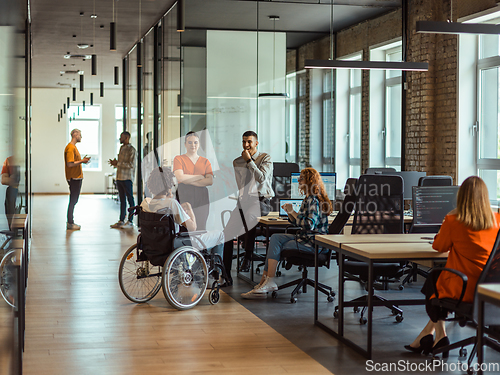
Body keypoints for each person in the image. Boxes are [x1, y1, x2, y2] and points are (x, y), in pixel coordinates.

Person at [404, 176, 500, 356]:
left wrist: (450, 217)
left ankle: (433, 335)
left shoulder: (455, 220)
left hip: (465, 287)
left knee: (434, 278)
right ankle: (434, 335)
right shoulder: (498, 220)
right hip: (492, 289)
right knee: (437, 278)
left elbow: (438, 246)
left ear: (461, 197)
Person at [241, 167, 332, 299]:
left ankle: (268, 281)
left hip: (313, 244)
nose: (298, 179)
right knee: (275, 238)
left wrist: (293, 212)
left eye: (301, 177)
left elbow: (309, 225)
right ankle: (263, 283)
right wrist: (291, 212)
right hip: (306, 238)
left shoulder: (313, 199)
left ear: (309, 180)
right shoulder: (308, 198)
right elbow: (299, 224)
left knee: (276, 243)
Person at [222, 131, 274, 285]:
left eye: (249, 142)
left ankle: (249, 255)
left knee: (250, 218)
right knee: (227, 234)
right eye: (243, 141)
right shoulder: (237, 162)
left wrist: (250, 161)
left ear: (256, 143)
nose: (246, 145)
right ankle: (225, 274)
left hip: (261, 201)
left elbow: (262, 178)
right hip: (244, 201)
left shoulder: (266, 158)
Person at [141, 167, 224, 259]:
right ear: (169, 185)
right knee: (219, 235)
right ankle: (217, 271)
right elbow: (192, 227)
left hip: (154, 244)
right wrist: (189, 208)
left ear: (151, 185)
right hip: (176, 244)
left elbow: (159, 204)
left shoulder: (145, 202)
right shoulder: (172, 203)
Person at [173, 131, 213, 230]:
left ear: (199, 144)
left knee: (201, 223)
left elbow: (210, 181)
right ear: (185, 144)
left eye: (195, 142)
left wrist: (188, 179)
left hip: (202, 195)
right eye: (190, 142)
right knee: (184, 223)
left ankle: (200, 245)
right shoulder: (179, 159)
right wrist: (200, 177)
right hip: (184, 193)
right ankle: (185, 245)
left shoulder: (205, 161)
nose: (193, 145)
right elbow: (180, 178)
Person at [109, 131, 137, 228]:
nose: (120, 139)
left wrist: (119, 163)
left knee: (130, 199)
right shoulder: (121, 148)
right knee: (122, 200)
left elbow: (131, 165)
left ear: (126, 138)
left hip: (127, 178)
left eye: (121, 137)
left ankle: (130, 220)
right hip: (120, 177)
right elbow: (121, 163)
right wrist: (115, 163)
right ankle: (121, 220)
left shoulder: (132, 150)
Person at [64, 129, 90, 230]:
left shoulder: (73, 147)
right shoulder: (70, 148)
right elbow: (69, 164)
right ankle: (70, 222)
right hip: (74, 178)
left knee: (74, 200)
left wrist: (82, 161)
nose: (81, 137)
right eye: (80, 134)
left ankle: (70, 222)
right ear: (75, 135)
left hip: (76, 177)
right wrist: (82, 161)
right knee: (73, 200)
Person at [1, 156, 20, 230]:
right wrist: (14, 179)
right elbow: (3, 180)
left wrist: (12, 178)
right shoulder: (9, 160)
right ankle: (12, 230)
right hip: (12, 192)